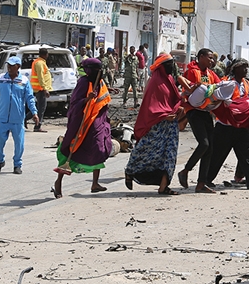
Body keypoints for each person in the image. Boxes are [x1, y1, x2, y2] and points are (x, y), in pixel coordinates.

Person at [125, 53, 186, 195]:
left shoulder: (170, 80)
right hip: (157, 125)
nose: (172, 67)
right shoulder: (155, 82)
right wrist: (164, 115)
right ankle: (130, 171)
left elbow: (173, 100)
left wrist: (178, 109)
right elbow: (151, 105)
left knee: (169, 154)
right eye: (169, 64)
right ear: (162, 66)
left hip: (170, 127)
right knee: (144, 150)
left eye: (173, 64)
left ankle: (164, 186)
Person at [52, 58, 112, 198]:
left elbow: (102, 97)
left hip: (97, 121)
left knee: (99, 148)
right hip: (82, 122)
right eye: (96, 70)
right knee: (72, 149)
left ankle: (95, 183)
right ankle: (58, 182)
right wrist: (86, 99)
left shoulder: (100, 81)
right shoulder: (83, 82)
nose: (99, 72)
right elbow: (75, 102)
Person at [205, 59, 249, 191]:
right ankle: (206, 179)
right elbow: (214, 97)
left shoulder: (247, 84)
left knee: (248, 152)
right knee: (217, 154)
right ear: (235, 69)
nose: (246, 70)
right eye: (243, 67)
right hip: (225, 125)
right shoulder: (227, 83)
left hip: (241, 125)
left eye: (247, 67)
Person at [178, 48, 221, 193]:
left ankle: (201, 183)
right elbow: (187, 88)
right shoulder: (192, 71)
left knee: (210, 147)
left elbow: (218, 86)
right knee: (204, 143)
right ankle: (185, 170)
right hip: (194, 111)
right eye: (209, 58)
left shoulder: (210, 73)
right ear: (201, 57)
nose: (212, 60)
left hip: (206, 111)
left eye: (212, 58)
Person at [29, 47, 51, 132]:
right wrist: (45, 89)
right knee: (41, 108)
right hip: (40, 88)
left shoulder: (40, 62)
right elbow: (40, 76)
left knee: (39, 107)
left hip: (40, 88)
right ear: (45, 55)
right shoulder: (39, 63)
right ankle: (37, 126)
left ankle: (26, 119)